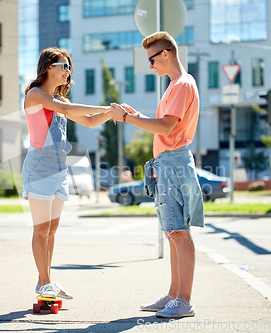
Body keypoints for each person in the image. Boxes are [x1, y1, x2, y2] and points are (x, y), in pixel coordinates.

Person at [108, 32, 204, 318]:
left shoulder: (182, 84)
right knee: (173, 233)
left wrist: (127, 118)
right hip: (167, 163)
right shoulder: (176, 85)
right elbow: (163, 124)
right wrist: (136, 114)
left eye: (152, 59)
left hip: (173, 162)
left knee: (179, 234)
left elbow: (165, 128)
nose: (150, 66)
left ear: (166, 54)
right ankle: (174, 295)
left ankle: (184, 301)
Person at [22, 47, 113, 299]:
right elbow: (71, 111)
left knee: (51, 230)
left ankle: (48, 280)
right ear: (48, 67)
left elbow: (90, 121)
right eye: (64, 66)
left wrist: (111, 113)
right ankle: (43, 282)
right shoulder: (36, 95)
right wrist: (105, 106)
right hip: (40, 167)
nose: (68, 71)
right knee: (40, 230)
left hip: (59, 169)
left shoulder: (60, 102)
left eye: (69, 67)